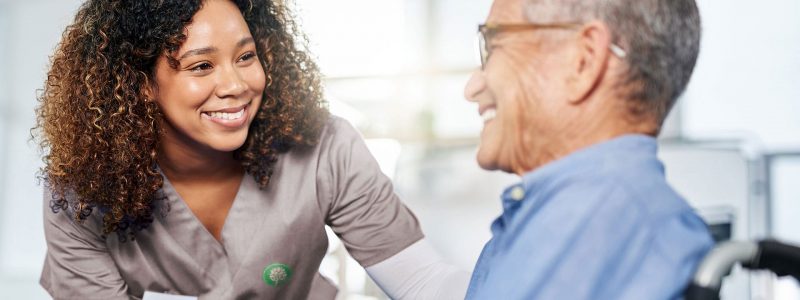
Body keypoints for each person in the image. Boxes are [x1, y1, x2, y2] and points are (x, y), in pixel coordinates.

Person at [35, 0, 468, 299]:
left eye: (246, 57)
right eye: (201, 66)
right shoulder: (80, 191)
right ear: (140, 84)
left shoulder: (324, 148)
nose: (236, 85)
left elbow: (422, 283)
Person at [462, 0, 713, 298]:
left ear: (583, 60)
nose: (472, 87)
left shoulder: (595, 226)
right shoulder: (578, 218)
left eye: (494, 44)